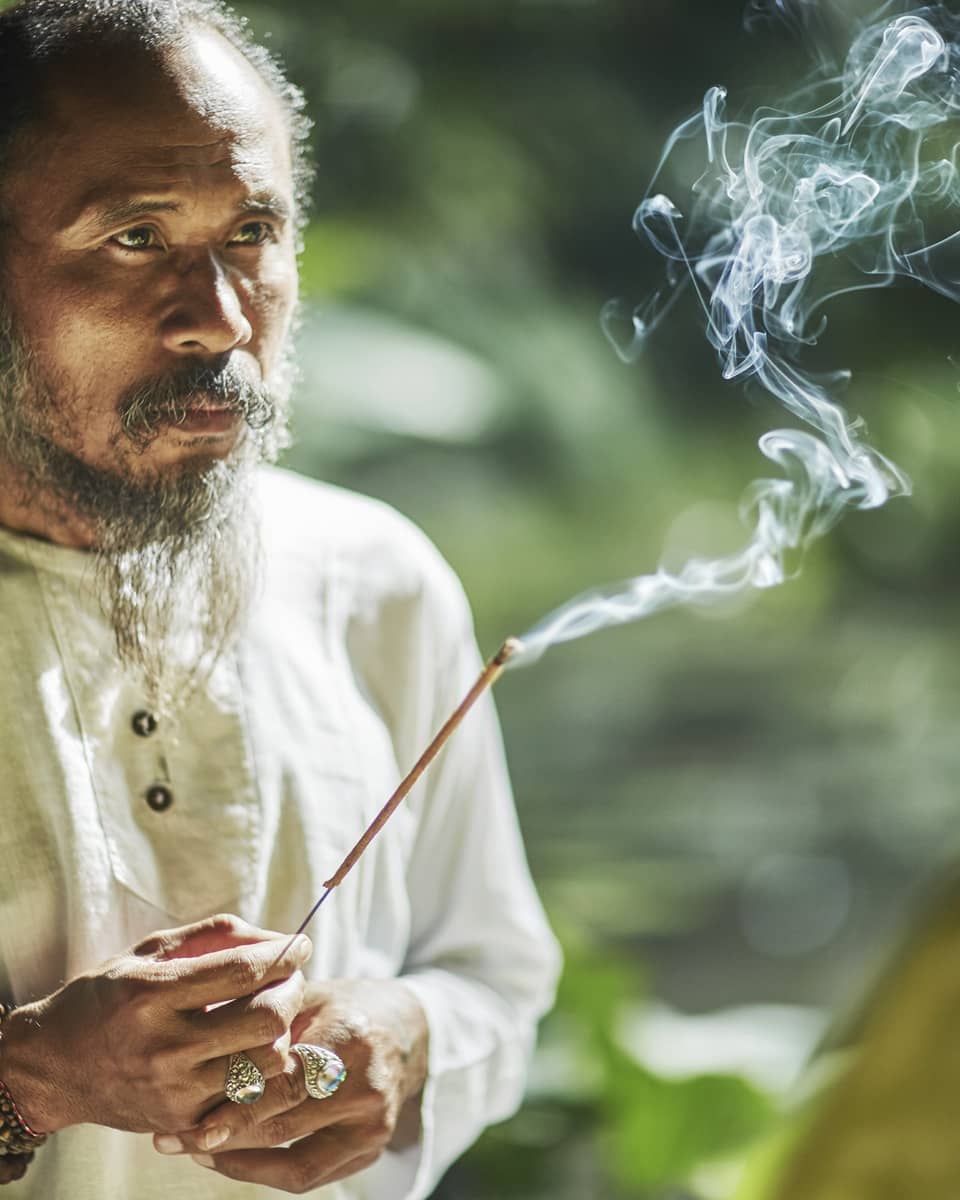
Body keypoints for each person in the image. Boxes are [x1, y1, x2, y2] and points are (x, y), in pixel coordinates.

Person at [0, 1, 561, 1196]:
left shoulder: (373, 578)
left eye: (252, 230)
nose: (220, 315)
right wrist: (35, 1079)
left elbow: (494, 980)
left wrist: (407, 1045)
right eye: (136, 237)